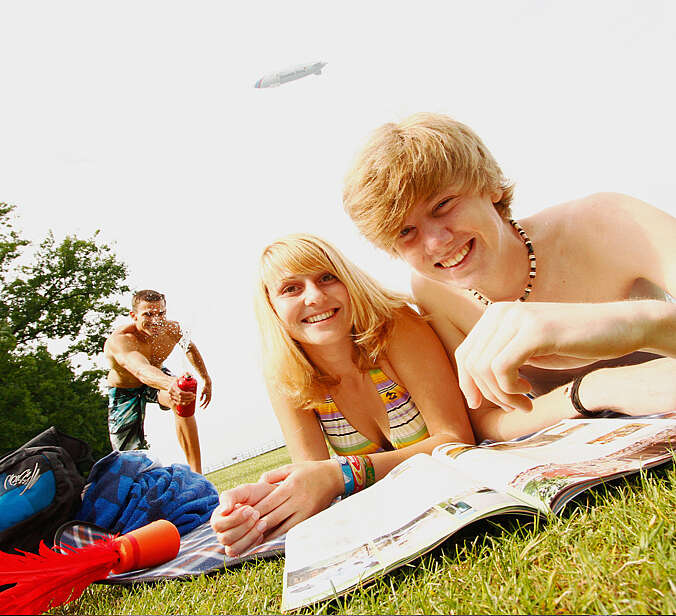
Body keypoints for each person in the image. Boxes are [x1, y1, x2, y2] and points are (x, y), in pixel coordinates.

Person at [343, 112, 676, 440]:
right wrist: (595, 389)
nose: (436, 242)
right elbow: (488, 420)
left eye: (443, 205)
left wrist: (640, 322)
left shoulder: (609, 219)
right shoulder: (432, 289)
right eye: (406, 232)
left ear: (489, 186)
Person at [210, 234, 474, 555]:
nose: (315, 296)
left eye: (326, 278)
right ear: (271, 305)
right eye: (291, 288)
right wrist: (253, 512)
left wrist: (344, 473)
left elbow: (456, 438)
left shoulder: (396, 325)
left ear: (348, 281)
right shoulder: (283, 374)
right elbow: (312, 481)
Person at [104, 289, 213, 474]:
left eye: (160, 313)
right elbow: (140, 370)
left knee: (182, 396)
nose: (156, 320)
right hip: (126, 390)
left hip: (157, 377)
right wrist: (170, 383)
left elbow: (189, 346)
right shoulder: (120, 340)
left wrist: (205, 378)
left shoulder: (171, 329)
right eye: (148, 314)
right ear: (134, 315)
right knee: (127, 457)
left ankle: (197, 475)